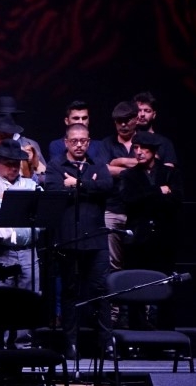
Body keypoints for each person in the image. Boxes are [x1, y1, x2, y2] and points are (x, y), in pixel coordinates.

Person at [42, 123, 114, 360]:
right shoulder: (54, 166)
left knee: (101, 290)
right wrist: (88, 187)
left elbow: (106, 186)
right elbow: (55, 190)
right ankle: (71, 344)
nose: (80, 145)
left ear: (89, 141)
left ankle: (106, 344)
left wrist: (77, 184)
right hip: (68, 240)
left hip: (96, 239)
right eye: (75, 141)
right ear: (66, 142)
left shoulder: (98, 165)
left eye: (84, 140)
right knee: (70, 292)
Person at [0, 138, 41, 349]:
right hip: (0, 252)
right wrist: (22, 207)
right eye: (8, 163)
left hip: (28, 251)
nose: (13, 167)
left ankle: (24, 346)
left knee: (28, 299)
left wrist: (9, 200)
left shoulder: (30, 184)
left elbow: (41, 212)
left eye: (16, 163)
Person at [121, 131, 184, 329]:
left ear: (154, 151)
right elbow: (130, 200)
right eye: (136, 148)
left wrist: (149, 198)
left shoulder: (170, 173)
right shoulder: (129, 175)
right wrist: (158, 191)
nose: (138, 152)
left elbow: (176, 201)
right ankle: (137, 336)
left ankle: (166, 335)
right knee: (136, 286)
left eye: (143, 148)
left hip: (164, 238)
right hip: (138, 238)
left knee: (166, 285)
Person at [95, 101, 140, 287]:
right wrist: (134, 167)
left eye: (126, 120)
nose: (122, 125)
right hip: (113, 209)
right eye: (118, 121)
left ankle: (141, 313)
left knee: (139, 262)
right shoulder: (106, 144)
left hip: (139, 211)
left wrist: (119, 161)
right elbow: (103, 170)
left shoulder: (144, 141)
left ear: (136, 120)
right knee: (114, 264)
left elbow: (150, 167)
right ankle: (114, 313)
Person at [132, 91, 179, 166]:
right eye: (138, 111)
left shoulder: (164, 143)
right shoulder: (127, 140)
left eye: (147, 111)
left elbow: (169, 173)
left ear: (154, 115)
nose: (142, 114)